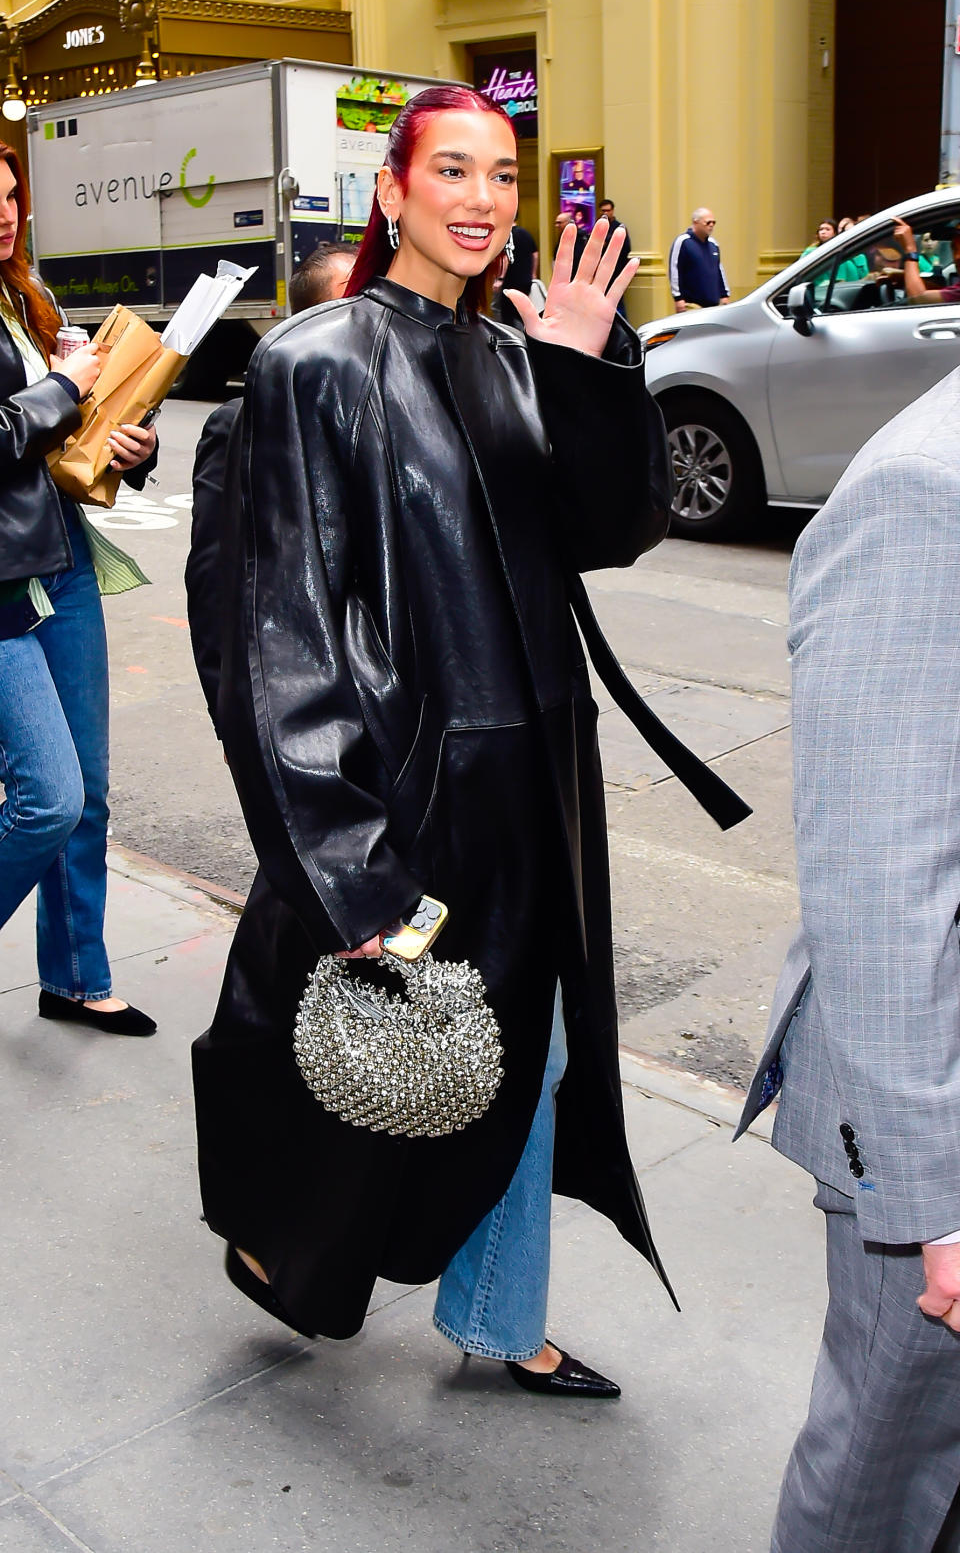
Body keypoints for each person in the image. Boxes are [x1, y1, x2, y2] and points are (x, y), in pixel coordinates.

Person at [192, 84, 687, 1393]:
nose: (482, 199)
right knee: (369, 1063)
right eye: (453, 170)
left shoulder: (515, 353)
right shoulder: (317, 361)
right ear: (394, 192)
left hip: (532, 782)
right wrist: (351, 864)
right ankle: (283, 1240)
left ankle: (490, 1310)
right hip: (410, 801)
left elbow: (611, 525)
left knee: (532, 1051)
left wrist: (585, 366)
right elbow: (280, 632)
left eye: (505, 175)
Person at [736, 368, 960, 1550]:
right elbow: (879, 883)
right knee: (887, 1478)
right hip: (936, 1112)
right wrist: (937, 1199)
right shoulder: (926, 489)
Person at [0, 142, 159, 1038]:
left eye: (13, 193)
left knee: (85, 787)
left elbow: (68, 442)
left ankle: (74, 974)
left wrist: (129, 446)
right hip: (3, 579)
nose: (5, 211)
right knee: (44, 794)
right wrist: (63, 385)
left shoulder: (30, 295)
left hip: (61, 556)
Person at [185, 240, 357, 731]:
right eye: (349, 301)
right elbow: (215, 576)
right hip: (305, 700)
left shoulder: (399, 411)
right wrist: (231, 708)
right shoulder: (244, 424)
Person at [668, 208, 730, 311]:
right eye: (708, 222)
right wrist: (678, 298)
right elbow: (674, 269)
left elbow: (719, 270)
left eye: (713, 222)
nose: (711, 225)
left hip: (713, 305)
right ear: (695, 222)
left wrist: (724, 295)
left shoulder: (713, 244)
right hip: (691, 304)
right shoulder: (683, 242)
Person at [598, 199, 633, 316]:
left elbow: (626, 249)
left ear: (612, 211)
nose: (605, 213)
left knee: (617, 300)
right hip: (602, 271)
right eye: (603, 211)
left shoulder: (619, 227)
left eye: (608, 210)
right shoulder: (598, 228)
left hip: (616, 270)